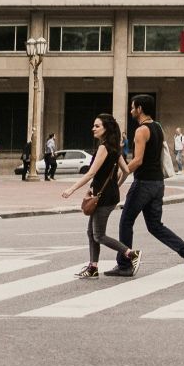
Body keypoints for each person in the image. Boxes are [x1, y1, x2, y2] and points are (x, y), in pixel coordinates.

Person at [108, 95, 184, 278]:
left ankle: (125, 264)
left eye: (133, 107)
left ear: (140, 109)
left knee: (126, 221)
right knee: (154, 225)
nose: (131, 110)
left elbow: (138, 160)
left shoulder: (141, 130)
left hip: (143, 183)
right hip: (158, 183)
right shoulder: (158, 127)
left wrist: (121, 172)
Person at [61, 113, 135, 279]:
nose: (93, 128)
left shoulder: (104, 148)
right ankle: (93, 267)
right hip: (108, 194)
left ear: (106, 128)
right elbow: (127, 171)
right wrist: (116, 185)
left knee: (99, 235)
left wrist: (71, 189)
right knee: (91, 232)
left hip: (104, 197)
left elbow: (91, 173)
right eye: (94, 125)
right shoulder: (115, 148)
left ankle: (131, 254)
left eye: (97, 126)